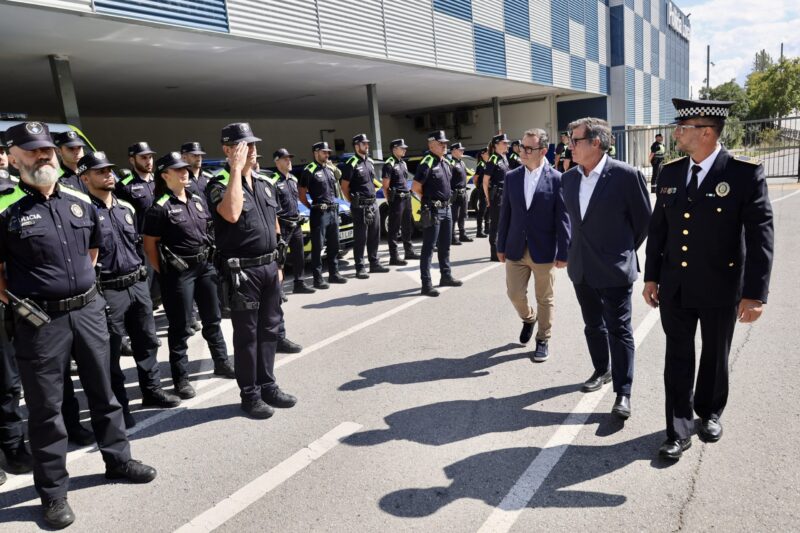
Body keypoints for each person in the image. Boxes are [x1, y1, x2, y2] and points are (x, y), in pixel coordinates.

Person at [0, 122, 156, 528]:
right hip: (39, 320)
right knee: (46, 409)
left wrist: (78, 289)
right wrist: (20, 304)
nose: (43, 157)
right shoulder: (5, 207)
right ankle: (52, 494)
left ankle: (118, 460)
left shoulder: (77, 197)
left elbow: (93, 247)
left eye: (47, 150)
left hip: (87, 311)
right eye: (32, 151)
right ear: (13, 156)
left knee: (104, 391)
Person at [643, 99, 774, 460]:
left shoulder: (744, 174)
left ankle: (710, 411)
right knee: (678, 357)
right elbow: (659, 230)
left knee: (716, 354)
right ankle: (678, 429)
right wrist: (651, 276)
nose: (676, 133)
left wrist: (755, 294)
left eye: (683, 128)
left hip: (721, 285)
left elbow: (761, 238)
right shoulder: (670, 172)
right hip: (676, 285)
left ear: (706, 132)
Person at [78, 151, 181, 428]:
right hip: (107, 289)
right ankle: (120, 406)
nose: (108, 174)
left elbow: (138, 244)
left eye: (109, 170)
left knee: (147, 341)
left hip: (136, 284)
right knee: (110, 353)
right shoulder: (83, 212)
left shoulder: (126, 208)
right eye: (100, 171)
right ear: (85, 177)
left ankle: (152, 391)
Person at [561, 117, 651, 420]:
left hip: (614, 269)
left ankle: (623, 392)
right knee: (592, 325)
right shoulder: (569, 178)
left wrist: (620, 252)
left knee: (619, 330)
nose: (569, 145)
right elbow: (576, 224)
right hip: (581, 268)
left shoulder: (626, 176)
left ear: (596, 143)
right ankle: (602, 369)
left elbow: (643, 223)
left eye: (575, 140)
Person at [206, 122, 297, 419]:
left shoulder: (265, 182)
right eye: (244, 146)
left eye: (253, 145)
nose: (252, 151)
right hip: (242, 273)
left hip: (269, 267)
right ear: (228, 150)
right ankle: (250, 394)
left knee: (270, 331)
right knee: (247, 336)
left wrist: (278, 262)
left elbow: (274, 224)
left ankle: (268, 384)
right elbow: (231, 213)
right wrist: (236, 170)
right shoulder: (218, 184)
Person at [143, 152, 235, 400]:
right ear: (165, 175)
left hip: (205, 267)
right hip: (179, 274)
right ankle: (180, 379)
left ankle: (222, 361)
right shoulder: (159, 208)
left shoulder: (197, 199)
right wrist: (166, 274)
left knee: (213, 318)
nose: (184, 172)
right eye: (178, 169)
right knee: (181, 327)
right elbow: (150, 246)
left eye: (185, 168)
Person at [496, 128, 570, 363]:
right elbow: (505, 214)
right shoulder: (512, 177)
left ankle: (542, 339)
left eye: (529, 148)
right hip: (516, 247)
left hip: (544, 249)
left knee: (544, 298)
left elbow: (563, 219)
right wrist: (500, 245)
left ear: (543, 151)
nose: (523, 152)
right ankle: (529, 318)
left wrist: (563, 251)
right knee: (514, 294)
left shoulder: (558, 179)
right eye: (521, 147)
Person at [411, 130, 463, 296]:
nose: (444, 146)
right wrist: (429, 201)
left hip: (447, 208)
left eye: (445, 143)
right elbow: (416, 187)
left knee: (445, 245)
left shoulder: (445, 162)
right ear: (431, 145)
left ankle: (445, 276)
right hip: (433, 209)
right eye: (441, 143)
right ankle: (426, 284)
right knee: (428, 247)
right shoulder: (427, 162)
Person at [298, 142, 347, 289]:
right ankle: (317, 279)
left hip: (333, 211)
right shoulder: (309, 170)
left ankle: (334, 273)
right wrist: (311, 207)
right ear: (316, 152)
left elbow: (338, 180)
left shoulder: (330, 169)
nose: (327, 155)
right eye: (324, 152)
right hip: (319, 213)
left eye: (328, 152)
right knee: (318, 247)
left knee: (334, 245)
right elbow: (301, 193)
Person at [341, 133, 388, 279]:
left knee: (375, 234)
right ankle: (360, 267)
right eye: (363, 144)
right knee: (361, 237)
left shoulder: (370, 162)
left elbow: (373, 181)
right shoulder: (351, 163)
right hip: (360, 206)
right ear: (356, 146)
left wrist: (374, 191)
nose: (367, 146)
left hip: (372, 204)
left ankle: (374, 263)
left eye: (367, 143)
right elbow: (344, 187)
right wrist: (353, 201)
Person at [271, 147, 315, 294]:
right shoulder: (273, 181)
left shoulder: (293, 179)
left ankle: (299, 283)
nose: (289, 161)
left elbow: (295, 202)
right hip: (282, 224)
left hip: (295, 224)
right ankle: (279, 289)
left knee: (299, 255)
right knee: (280, 257)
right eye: (285, 158)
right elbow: (272, 207)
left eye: (289, 158)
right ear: (277, 161)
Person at [381, 138, 419, 265]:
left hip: (406, 197)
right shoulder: (389, 163)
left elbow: (405, 181)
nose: (405, 150)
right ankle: (394, 256)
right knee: (394, 228)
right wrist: (389, 200)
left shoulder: (403, 163)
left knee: (407, 225)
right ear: (394, 149)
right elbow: (385, 185)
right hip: (396, 199)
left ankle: (409, 252)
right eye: (402, 148)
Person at [482, 133, 511, 261]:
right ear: (496, 145)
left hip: (505, 194)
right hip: (496, 196)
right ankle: (494, 252)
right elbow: (485, 181)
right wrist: (488, 198)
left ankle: (504, 248)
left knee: (506, 222)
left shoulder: (504, 157)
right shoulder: (493, 159)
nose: (507, 145)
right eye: (504, 143)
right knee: (496, 224)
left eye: (507, 143)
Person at [448, 142, 473, 245]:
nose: (462, 151)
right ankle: (452, 237)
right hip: (455, 194)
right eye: (460, 150)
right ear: (453, 151)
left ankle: (462, 234)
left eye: (462, 150)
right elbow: (448, 180)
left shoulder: (461, 162)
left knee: (463, 215)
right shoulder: (451, 163)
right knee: (454, 216)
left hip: (463, 193)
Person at [473, 147, 489, 238]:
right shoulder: (481, 164)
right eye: (487, 153)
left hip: (488, 190)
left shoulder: (487, 163)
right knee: (482, 211)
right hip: (482, 190)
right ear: (483, 154)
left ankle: (487, 228)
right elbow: (475, 178)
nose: (489, 154)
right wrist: (478, 187)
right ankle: (479, 231)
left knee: (488, 210)